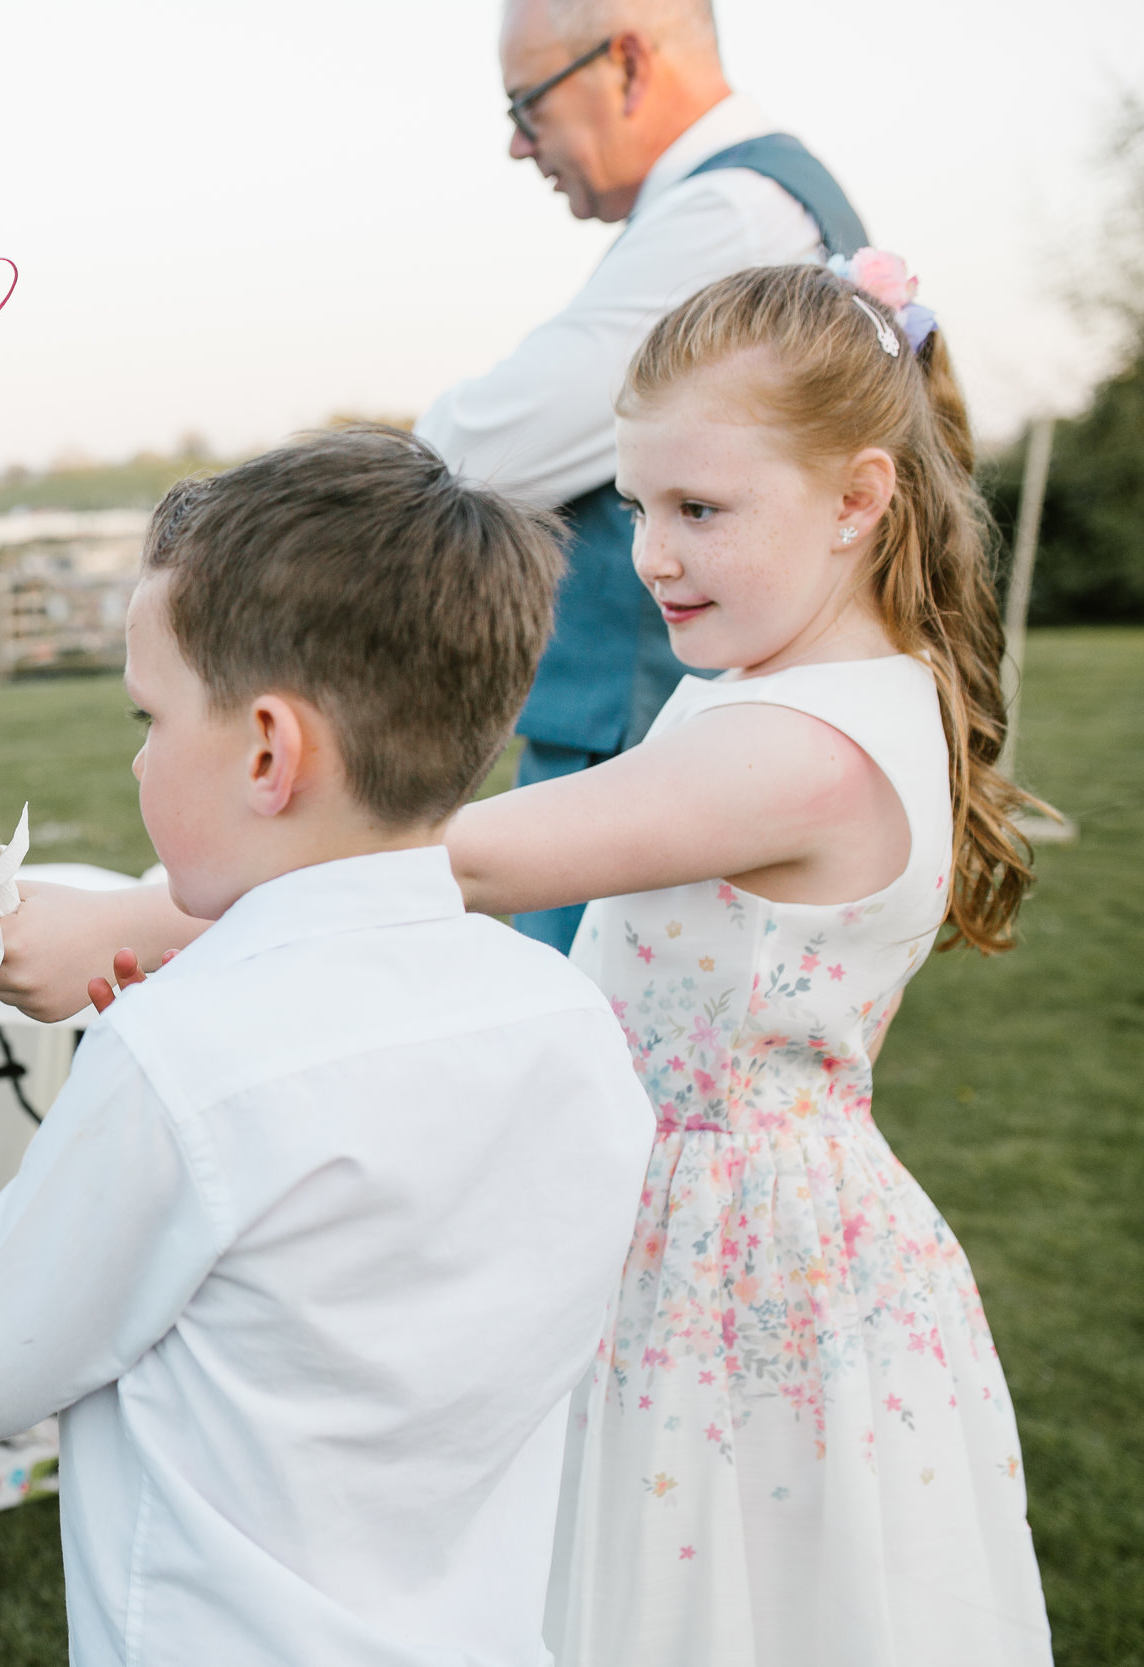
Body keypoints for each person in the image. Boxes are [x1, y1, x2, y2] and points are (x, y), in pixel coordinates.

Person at [0, 429, 655, 1665]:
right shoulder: (568, 1016)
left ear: (269, 750)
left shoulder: (186, 1063)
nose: (135, 752)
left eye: (149, 715)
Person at [446, 258, 1051, 1662]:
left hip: (739, 1254)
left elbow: (465, 860)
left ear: (857, 499)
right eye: (638, 503)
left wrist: (164, 907)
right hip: (712, 1218)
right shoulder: (783, 701)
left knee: (726, 1605)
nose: (651, 552)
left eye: (701, 509)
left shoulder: (795, 749)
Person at [417, 0, 869, 950]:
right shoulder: (745, 201)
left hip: (643, 730)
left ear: (625, 62)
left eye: (526, 106)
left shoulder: (727, 215)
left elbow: (482, 452)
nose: (516, 145)